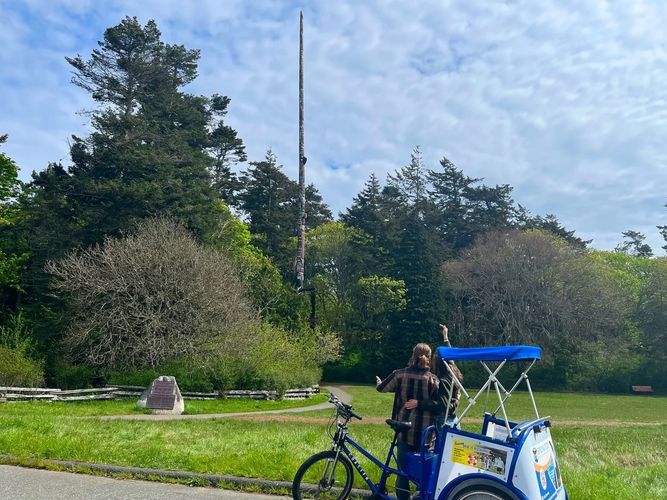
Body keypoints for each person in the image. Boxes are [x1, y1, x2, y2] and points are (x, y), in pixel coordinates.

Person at [375, 343, 439, 500]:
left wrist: (378, 382)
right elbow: (439, 405)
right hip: (425, 433)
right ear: (429, 358)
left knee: (402, 471)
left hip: (404, 430)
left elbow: (382, 388)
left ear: (413, 355)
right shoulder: (433, 379)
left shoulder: (399, 374)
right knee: (423, 472)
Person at [403, 324, 463, 428]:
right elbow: (449, 355)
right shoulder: (453, 372)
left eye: (434, 356)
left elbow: (442, 405)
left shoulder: (443, 380)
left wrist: (419, 403)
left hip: (443, 421)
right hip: (454, 419)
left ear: (438, 362)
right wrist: (445, 337)